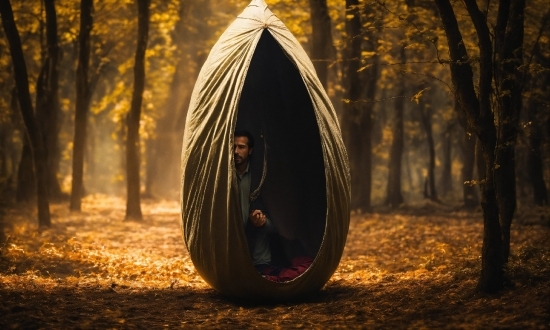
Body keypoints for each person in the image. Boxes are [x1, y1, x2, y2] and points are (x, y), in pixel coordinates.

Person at [233, 130, 275, 273]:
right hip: (232, 258)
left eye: (241, 147)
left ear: (250, 150)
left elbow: (279, 225)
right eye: (233, 147)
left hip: (259, 260)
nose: (236, 151)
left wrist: (262, 222)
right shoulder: (223, 179)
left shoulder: (261, 178)